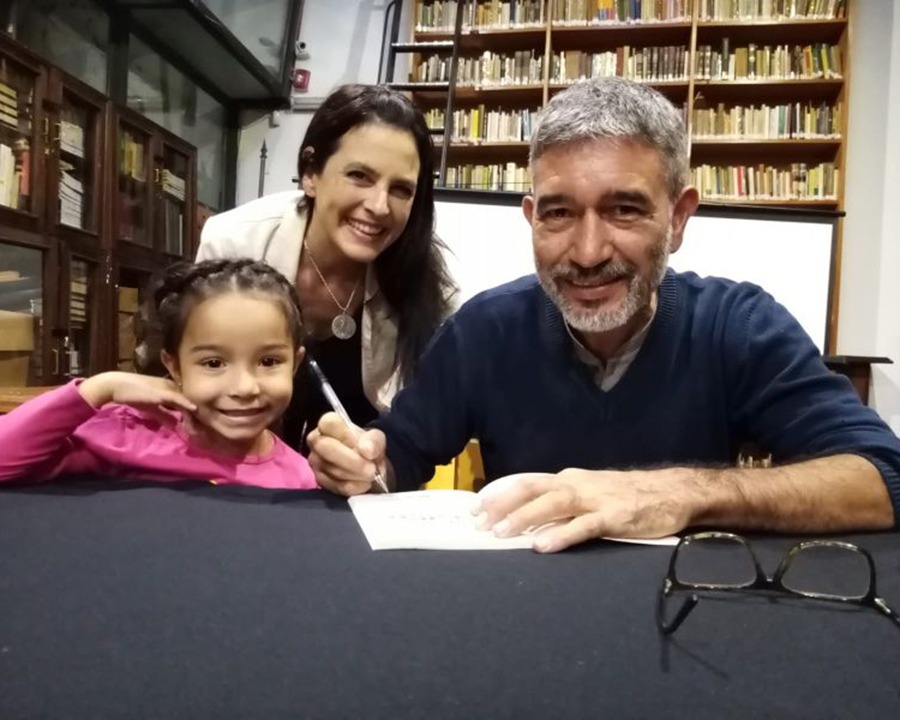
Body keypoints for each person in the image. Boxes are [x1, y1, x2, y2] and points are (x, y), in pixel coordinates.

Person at [307, 77, 900, 551]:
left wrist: (676, 493)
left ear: (678, 217)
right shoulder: (485, 330)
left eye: (623, 210)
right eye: (560, 214)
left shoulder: (737, 325)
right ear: (531, 218)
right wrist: (366, 464)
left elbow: (882, 478)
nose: (588, 254)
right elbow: (400, 456)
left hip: (689, 620)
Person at [197, 84, 456, 451]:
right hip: (239, 464)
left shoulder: (424, 279)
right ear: (310, 173)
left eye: (401, 189)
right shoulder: (235, 243)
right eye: (359, 176)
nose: (379, 206)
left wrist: (381, 457)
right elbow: (200, 377)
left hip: (353, 486)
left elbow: (422, 420)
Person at [0, 258, 316, 490]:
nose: (245, 387)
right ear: (174, 366)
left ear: (295, 363)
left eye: (269, 361)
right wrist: (100, 387)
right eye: (214, 363)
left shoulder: (301, 480)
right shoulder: (129, 434)